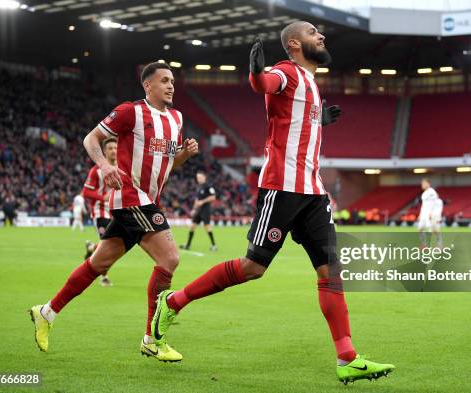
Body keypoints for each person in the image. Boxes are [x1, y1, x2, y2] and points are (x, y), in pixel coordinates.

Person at [150, 21, 394, 384]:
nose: (321, 36)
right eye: (314, 32)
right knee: (253, 267)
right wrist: (254, 71)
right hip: (281, 187)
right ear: (294, 43)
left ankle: (347, 358)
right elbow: (263, 84)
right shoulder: (287, 72)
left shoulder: (311, 82)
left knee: (330, 273)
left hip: (313, 192)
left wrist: (319, 122)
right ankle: (172, 304)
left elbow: (295, 122)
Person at [29, 62, 199, 362]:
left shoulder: (176, 118)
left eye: (172, 80)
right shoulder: (130, 111)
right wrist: (105, 166)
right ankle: (152, 338)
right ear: (148, 86)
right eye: (163, 81)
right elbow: (90, 139)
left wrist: (183, 154)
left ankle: (46, 312)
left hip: (150, 200)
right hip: (132, 197)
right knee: (170, 257)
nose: (170, 85)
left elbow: (169, 166)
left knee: (98, 262)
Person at [82, 137, 118, 287]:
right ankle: (104, 277)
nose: (113, 151)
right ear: (104, 151)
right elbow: (85, 192)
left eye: (115, 148)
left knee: (113, 245)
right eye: (110, 148)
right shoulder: (96, 170)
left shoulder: (123, 167)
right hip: (100, 211)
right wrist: (102, 197)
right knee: (106, 244)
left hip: (117, 212)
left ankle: (91, 248)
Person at [179, 170, 217, 251]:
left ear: (204, 177)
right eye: (197, 178)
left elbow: (213, 197)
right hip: (199, 210)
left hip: (206, 209)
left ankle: (214, 245)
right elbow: (197, 200)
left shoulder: (208, 186)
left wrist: (202, 202)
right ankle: (188, 245)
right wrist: (194, 209)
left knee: (207, 226)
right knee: (192, 226)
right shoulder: (199, 187)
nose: (198, 179)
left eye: (200, 177)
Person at [417, 178, 439, 247]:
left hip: (429, 215)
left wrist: (432, 213)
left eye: (423, 183)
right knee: (420, 229)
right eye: (422, 184)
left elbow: (436, 203)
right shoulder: (424, 194)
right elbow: (423, 205)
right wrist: (420, 215)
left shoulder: (432, 192)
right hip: (423, 215)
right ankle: (424, 244)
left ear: (428, 183)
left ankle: (436, 244)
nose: (422, 185)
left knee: (431, 230)